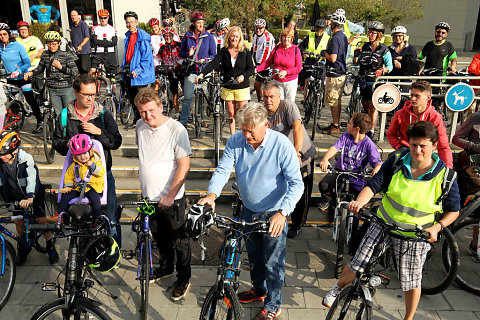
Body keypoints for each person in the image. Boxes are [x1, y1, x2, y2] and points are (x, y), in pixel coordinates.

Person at [323, 121, 461, 320]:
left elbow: (454, 211)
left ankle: (408, 317)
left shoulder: (446, 176)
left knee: (411, 282)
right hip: (383, 224)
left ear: (434, 145)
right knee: (357, 265)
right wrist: (359, 202)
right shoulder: (397, 160)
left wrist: (437, 227)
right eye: (414, 145)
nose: (418, 150)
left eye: (423, 146)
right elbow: (375, 184)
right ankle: (337, 288)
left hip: (415, 235)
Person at [198, 103, 304, 320]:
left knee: (274, 261)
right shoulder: (236, 140)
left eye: (250, 131)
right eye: (243, 129)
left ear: (266, 125)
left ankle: (274, 304)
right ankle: (259, 289)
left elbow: (297, 184)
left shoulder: (281, 145)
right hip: (249, 209)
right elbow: (223, 169)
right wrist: (211, 195)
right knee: (254, 256)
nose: (246, 135)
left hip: (274, 213)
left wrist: (283, 213)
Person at [134, 88, 192, 301]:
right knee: (159, 237)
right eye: (142, 112)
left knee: (179, 241)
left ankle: (183, 277)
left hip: (171, 198)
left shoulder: (177, 130)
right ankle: (166, 267)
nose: (147, 116)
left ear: (160, 106)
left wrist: (170, 194)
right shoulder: (140, 127)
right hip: (149, 197)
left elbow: (184, 165)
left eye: (151, 111)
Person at [52, 74, 123, 246]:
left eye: (93, 94)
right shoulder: (65, 115)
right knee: (79, 219)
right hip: (76, 178)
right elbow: (56, 142)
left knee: (110, 218)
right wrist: (67, 144)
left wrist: (99, 132)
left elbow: (116, 141)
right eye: (86, 95)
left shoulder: (103, 114)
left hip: (101, 176)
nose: (91, 98)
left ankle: (113, 251)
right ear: (76, 93)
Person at [263, 83, 316, 238]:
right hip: (281, 158)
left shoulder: (288, 106)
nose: (268, 100)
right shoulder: (263, 112)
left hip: (302, 154)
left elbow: (297, 128)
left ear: (279, 96)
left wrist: (297, 153)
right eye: (265, 97)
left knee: (301, 190)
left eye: (272, 96)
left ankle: (298, 224)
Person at [0, 131, 59, 265]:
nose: (1, 157)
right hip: (15, 196)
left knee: (42, 220)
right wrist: (7, 200)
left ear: (14, 150)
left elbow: (32, 178)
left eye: (3, 154)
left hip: (33, 194)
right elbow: (2, 183)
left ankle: (50, 244)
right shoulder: (1, 163)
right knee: (18, 221)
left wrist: (30, 197)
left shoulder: (26, 158)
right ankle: (22, 246)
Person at [318, 112, 382, 221]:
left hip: (356, 175)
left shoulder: (369, 144)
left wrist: (376, 169)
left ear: (356, 129)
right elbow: (335, 147)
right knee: (324, 185)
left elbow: (378, 163)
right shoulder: (346, 136)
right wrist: (325, 159)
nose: (347, 124)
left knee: (357, 202)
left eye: (350, 123)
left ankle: (353, 226)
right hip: (340, 171)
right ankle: (331, 202)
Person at [196, 26, 255, 134]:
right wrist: (201, 74)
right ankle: (233, 135)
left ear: (240, 38)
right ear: (228, 37)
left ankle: (243, 135)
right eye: (232, 36)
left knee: (243, 114)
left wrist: (243, 76)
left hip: (241, 87)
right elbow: (213, 63)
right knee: (230, 113)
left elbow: (251, 68)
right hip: (228, 86)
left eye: (237, 36)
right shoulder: (223, 51)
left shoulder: (245, 51)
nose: (234, 38)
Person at [386, 80, 453, 168]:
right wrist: (399, 146)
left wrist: (448, 168)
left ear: (428, 97)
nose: (413, 99)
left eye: (417, 96)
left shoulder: (435, 117)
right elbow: (390, 134)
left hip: (425, 152)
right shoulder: (400, 113)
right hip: (405, 150)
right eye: (412, 95)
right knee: (392, 161)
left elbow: (443, 145)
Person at [0, 23, 43, 133]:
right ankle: (14, 123)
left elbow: (27, 62)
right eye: (0, 35)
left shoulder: (17, 45)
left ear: (9, 34)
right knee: (13, 102)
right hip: (10, 78)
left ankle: (39, 122)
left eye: (5, 34)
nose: (3, 36)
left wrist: (18, 71)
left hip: (22, 76)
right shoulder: (0, 47)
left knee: (30, 98)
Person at [354, 21, 392, 138]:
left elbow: (390, 66)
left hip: (376, 82)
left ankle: (371, 130)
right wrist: (356, 56)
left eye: (373, 33)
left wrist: (382, 70)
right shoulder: (365, 46)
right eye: (369, 32)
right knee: (365, 105)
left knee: (373, 106)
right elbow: (357, 61)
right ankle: (366, 126)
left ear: (379, 35)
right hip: (364, 79)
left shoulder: (384, 50)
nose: (370, 35)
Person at [26, 31, 78, 115]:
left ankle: (69, 128)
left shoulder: (66, 55)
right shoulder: (45, 54)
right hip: (52, 89)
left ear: (59, 43)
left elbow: (75, 72)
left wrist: (60, 67)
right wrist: (31, 73)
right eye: (49, 44)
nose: (51, 46)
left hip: (66, 89)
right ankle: (59, 128)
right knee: (58, 114)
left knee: (69, 113)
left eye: (54, 44)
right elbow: (40, 69)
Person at [178, 11, 216, 126]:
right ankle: (183, 122)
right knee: (188, 97)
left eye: (202, 23)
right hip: (191, 70)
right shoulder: (187, 36)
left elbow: (214, 54)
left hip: (203, 71)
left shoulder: (209, 37)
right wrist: (188, 54)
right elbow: (181, 53)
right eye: (198, 23)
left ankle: (200, 119)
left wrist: (206, 59)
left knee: (201, 96)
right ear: (194, 23)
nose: (201, 25)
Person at [57, 134, 104, 220]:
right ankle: (60, 216)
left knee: (96, 202)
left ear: (90, 151)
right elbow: (68, 176)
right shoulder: (74, 165)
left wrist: (93, 166)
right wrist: (69, 186)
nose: (82, 157)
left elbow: (101, 172)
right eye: (79, 155)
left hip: (91, 188)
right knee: (65, 198)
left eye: (85, 153)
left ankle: (97, 219)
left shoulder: (96, 161)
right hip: (77, 188)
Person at [121, 11, 156, 125]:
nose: (130, 24)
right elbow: (128, 55)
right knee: (133, 99)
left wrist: (138, 70)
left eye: (132, 22)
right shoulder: (128, 36)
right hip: (130, 72)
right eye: (128, 22)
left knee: (141, 100)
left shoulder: (143, 37)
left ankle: (145, 122)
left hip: (140, 74)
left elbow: (146, 58)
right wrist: (123, 67)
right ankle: (137, 121)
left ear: (136, 22)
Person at [256, 28, 302, 103]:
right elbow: (268, 62)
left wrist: (286, 72)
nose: (286, 39)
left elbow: (299, 67)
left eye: (288, 37)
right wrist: (257, 69)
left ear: (291, 38)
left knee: (289, 104)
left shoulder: (296, 49)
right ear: (281, 38)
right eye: (284, 37)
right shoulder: (277, 48)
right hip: (277, 81)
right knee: (278, 103)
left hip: (290, 81)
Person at [320, 13, 348, 135]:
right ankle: (335, 124)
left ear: (333, 24)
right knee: (337, 100)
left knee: (333, 102)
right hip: (341, 72)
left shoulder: (335, 38)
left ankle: (335, 126)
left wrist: (324, 53)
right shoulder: (343, 36)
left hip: (334, 73)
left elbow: (333, 58)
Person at [158, 27, 184, 119]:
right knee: (175, 94)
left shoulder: (179, 45)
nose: (168, 37)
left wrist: (178, 63)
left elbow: (184, 56)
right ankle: (177, 112)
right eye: (166, 36)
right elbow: (158, 58)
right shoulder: (162, 48)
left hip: (180, 71)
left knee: (185, 93)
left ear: (172, 36)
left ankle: (188, 111)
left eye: (169, 35)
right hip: (170, 72)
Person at [251, 18, 276, 102]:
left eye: (260, 28)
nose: (258, 30)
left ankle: (271, 104)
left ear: (264, 27)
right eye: (256, 28)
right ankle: (260, 101)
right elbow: (253, 50)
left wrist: (259, 66)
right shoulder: (255, 36)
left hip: (267, 66)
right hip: (259, 65)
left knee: (269, 89)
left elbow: (266, 53)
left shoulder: (267, 37)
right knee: (257, 85)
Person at [90, 9, 118, 76]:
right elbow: (95, 41)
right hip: (99, 53)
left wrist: (101, 42)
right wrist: (107, 42)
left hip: (110, 54)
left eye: (105, 18)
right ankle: (92, 85)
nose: (103, 20)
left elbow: (114, 43)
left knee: (112, 76)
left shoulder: (112, 29)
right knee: (92, 70)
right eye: (101, 18)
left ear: (108, 18)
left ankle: (112, 86)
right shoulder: (95, 28)